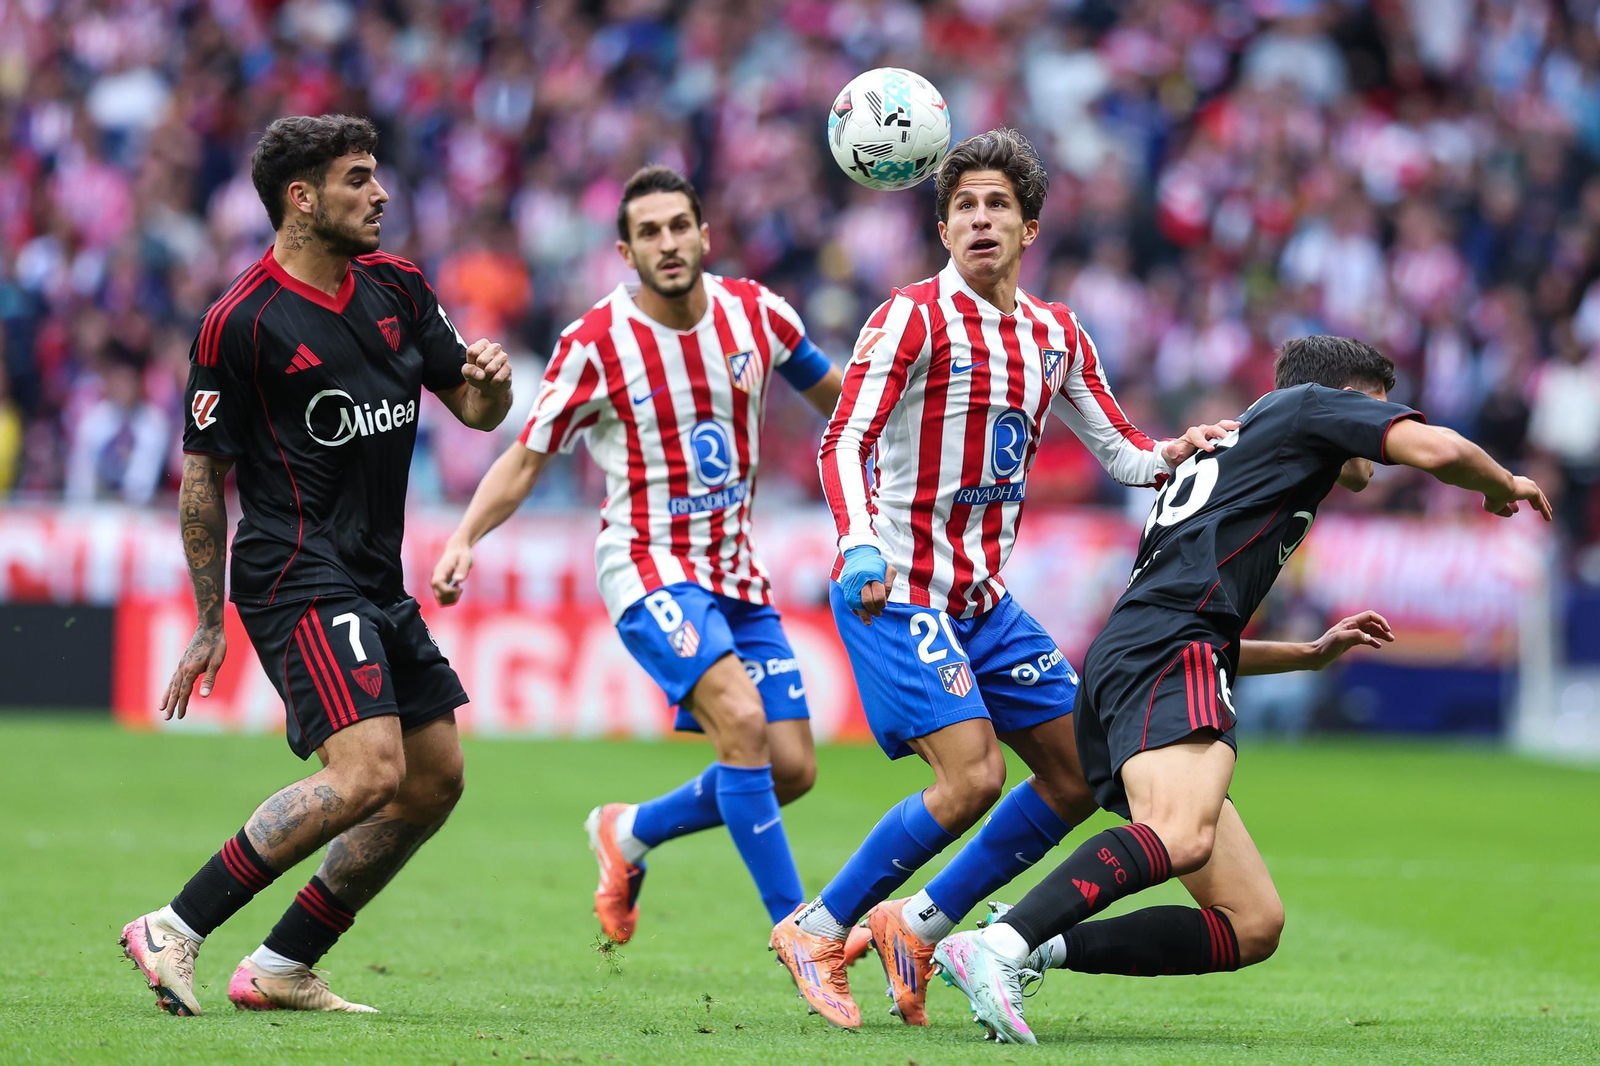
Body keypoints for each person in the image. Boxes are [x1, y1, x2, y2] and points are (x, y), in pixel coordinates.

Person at [932, 335, 1552, 1044]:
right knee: (1181, 833)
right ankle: (1003, 943)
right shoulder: (1304, 409)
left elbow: (1195, 608)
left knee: (1252, 923)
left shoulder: (1249, 453)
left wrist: (1308, 654)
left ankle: (1039, 945)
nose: (1384, 438)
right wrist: (1501, 484)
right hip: (1169, 651)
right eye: (1380, 412)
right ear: (1344, 401)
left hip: (1140, 656)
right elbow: (1438, 450)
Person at [769, 128, 1235, 1029]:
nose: (981, 221)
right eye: (965, 209)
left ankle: (918, 922)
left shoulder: (1055, 334)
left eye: (998, 207)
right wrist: (858, 541)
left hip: (983, 600)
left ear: (1030, 228)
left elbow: (1122, 451)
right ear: (942, 230)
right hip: (894, 584)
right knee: (973, 777)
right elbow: (843, 439)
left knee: (1078, 776)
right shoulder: (910, 317)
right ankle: (818, 926)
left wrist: (1174, 451)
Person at [120, 114, 514, 1016]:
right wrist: (211, 617)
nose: (380, 195)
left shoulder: (401, 288)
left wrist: (490, 384)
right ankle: (174, 926)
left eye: (376, 177)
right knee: (368, 771)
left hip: (377, 574)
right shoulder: (239, 322)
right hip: (293, 569)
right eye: (358, 179)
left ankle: (280, 964)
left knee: (434, 779)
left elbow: (478, 411)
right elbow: (201, 484)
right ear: (302, 198)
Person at [429, 165, 844, 944]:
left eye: (679, 226)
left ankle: (629, 832)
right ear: (626, 252)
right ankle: (801, 933)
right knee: (745, 723)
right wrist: (463, 537)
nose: (668, 242)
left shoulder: (759, 315)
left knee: (790, 767)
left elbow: (842, 402)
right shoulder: (594, 343)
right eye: (649, 232)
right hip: (646, 564)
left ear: (704, 235)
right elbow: (525, 458)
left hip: (735, 572)